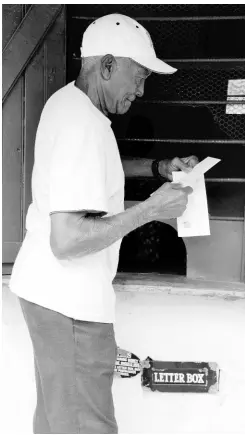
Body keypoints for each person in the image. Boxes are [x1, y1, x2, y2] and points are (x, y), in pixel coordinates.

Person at [9, 14, 198, 434]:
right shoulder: (82, 124)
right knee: (86, 426)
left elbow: (99, 168)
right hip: (69, 305)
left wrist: (158, 167)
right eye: (138, 76)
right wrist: (150, 209)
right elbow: (69, 240)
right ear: (107, 65)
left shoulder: (73, 106)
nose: (141, 90)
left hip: (51, 297)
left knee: (60, 421)